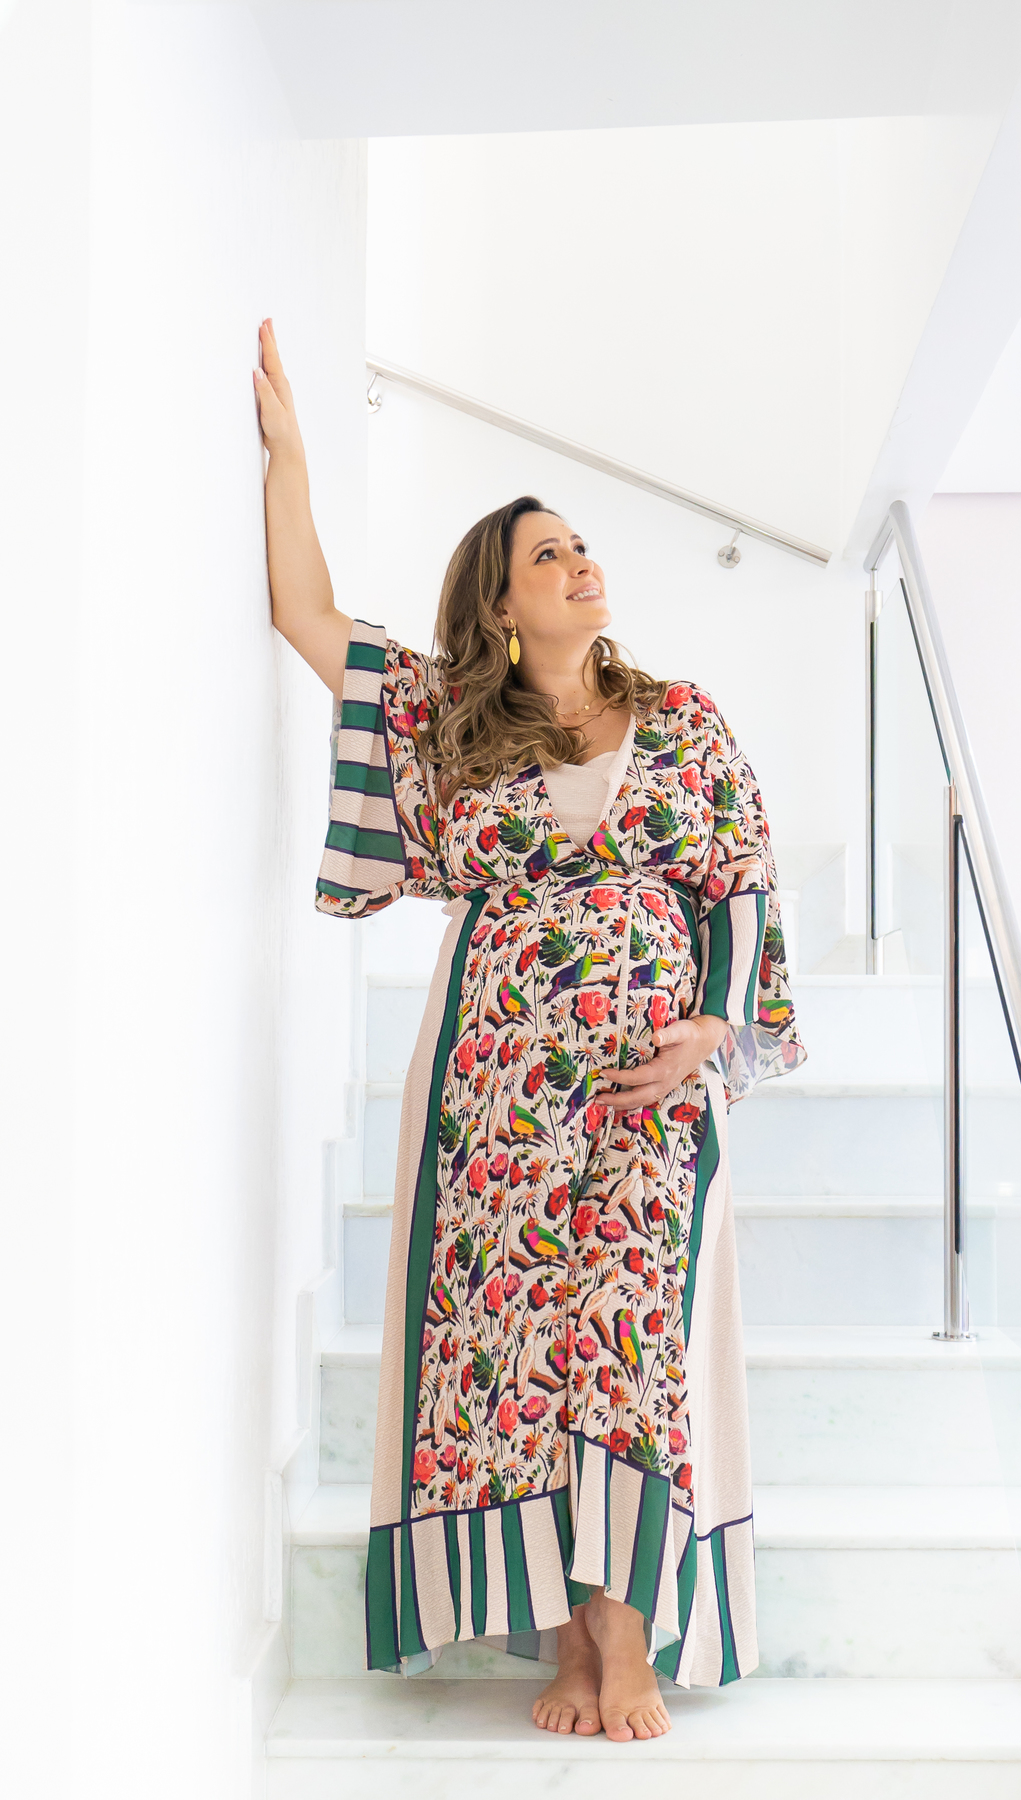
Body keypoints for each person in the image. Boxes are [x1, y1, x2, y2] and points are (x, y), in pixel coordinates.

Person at [254, 319, 804, 1743]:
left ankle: (628, 1637)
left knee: (632, 1341)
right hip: (495, 1090)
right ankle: (569, 1643)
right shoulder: (452, 722)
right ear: (501, 603)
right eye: (548, 555)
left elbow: (741, 881)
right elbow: (311, 620)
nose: (580, 564)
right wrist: (289, 456)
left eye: (582, 547)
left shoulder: (682, 721)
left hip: (652, 1082)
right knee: (519, 1350)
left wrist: (715, 1032)